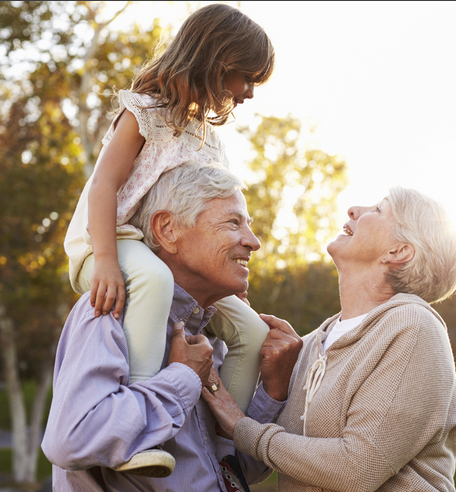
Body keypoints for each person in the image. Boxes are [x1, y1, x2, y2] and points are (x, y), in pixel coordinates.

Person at [63, 3, 274, 473]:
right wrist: (104, 259)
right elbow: (103, 186)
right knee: (155, 283)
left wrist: (228, 271)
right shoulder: (144, 113)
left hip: (159, 246)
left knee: (250, 329)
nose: (250, 94)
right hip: (112, 236)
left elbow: (208, 210)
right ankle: (139, 432)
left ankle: (223, 440)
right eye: (247, 78)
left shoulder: (207, 136)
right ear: (219, 61)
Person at [42, 162, 303, 491]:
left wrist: (274, 390)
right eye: (233, 222)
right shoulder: (109, 309)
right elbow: (71, 439)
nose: (253, 241)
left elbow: (231, 471)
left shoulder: (216, 339)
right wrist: (182, 379)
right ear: (167, 230)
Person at [202, 187, 456, 492]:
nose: (354, 210)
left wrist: (241, 426)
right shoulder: (311, 345)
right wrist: (268, 382)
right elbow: (247, 466)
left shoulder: (413, 326)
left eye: (379, 209)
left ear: (398, 252)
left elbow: (357, 469)